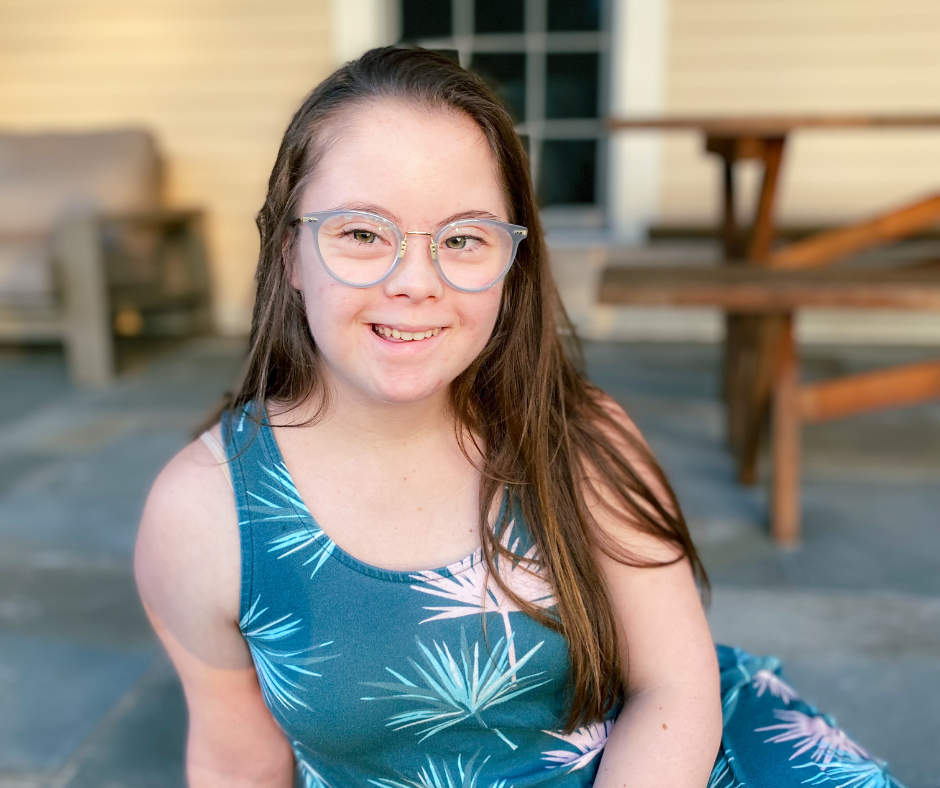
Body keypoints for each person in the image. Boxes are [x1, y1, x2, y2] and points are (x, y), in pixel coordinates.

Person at [134, 47, 905, 788]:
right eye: (363, 234)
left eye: (463, 238)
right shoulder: (203, 513)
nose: (416, 281)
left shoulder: (582, 439)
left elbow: (674, 685)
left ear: (512, 263)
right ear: (290, 255)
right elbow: (239, 767)